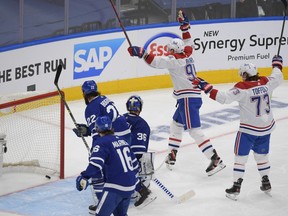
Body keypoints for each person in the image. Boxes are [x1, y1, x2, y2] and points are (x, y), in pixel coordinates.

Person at [127, 10, 226, 176]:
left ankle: (215, 158)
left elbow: (157, 62)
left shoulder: (174, 61)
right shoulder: (187, 54)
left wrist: (142, 52)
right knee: (176, 125)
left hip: (188, 98)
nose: (169, 52)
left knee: (194, 130)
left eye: (170, 50)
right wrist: (184, 26)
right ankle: (172, 155)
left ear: (174, 51)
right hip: (188, 98)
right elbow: (187, 40)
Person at [192, 55, 283, 200]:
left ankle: (236, 186)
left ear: (246, 74)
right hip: (266, 128)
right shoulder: (266, 82)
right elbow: (277, 76)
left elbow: (222, 97)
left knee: (240, 157)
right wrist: (277, 64)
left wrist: (205, 86)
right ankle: (266, 180)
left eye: (242, 74)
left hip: (248, 130)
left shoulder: (242, 88)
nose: (241, 77)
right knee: (262, 156)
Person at [72, 80, 131, 214]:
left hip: (114, 137)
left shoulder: (90, 108)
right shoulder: (104, 99)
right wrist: (87, 130)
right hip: (125, 135)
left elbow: (99, 136)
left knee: (98, 169)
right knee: (122, 165)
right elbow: (103, 125)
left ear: (84, 93)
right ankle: (132, 191)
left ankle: (102, 202)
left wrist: (96, 150)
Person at [76, 116, 138, 216]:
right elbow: (135, 166)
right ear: (111, 127)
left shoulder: (101, 143)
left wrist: (84, 176)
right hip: (130, 186)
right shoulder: (123, 141)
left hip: (115, 187)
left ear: (97, 129)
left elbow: (96, 165)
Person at [124, 95, 156, 205]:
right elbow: (139, 152)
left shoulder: (119, 119)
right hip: (130, 164)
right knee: (146, 160)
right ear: (140, 108)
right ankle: (141, 189)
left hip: (116, 159)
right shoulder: (142, 124)